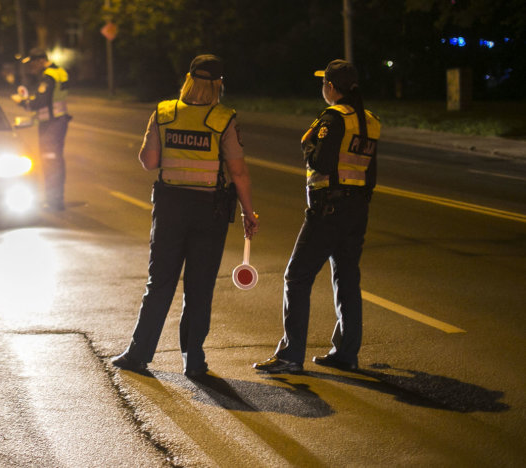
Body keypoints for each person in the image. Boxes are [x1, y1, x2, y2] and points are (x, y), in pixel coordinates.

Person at [111, 54, 259, 381]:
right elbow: (238, 172)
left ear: (188, 80)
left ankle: (138, 354)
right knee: (199, 286)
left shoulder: (164, 113)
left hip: (170, 207)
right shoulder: (223, 119)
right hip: (210, 210)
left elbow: (149, 162)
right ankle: (193, 360)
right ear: (218, 84)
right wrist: (249, 212)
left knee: (160, 282)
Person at [253, 59, 380, 374]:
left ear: (331, 88)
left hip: (328, 208)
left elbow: (322, 162)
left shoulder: (333, 119)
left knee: (296, 278)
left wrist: (308, 148)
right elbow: (371, 173)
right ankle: (346, 353)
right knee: (347, 278)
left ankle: (290, 355)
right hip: (356, 209)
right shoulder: (369, 121)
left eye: (324, 83)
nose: (323, 87)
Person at [12, 48, 71, 210]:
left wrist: (23, 102)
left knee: (50, 161)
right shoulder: (58, 71)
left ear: (39, 61)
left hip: (52, 125)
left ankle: (54, 201)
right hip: (57, 122)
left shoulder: (49, 77)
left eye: (31, 63)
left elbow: (41, 101)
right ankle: (55, 198)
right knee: (55, 161)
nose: (30, 67)